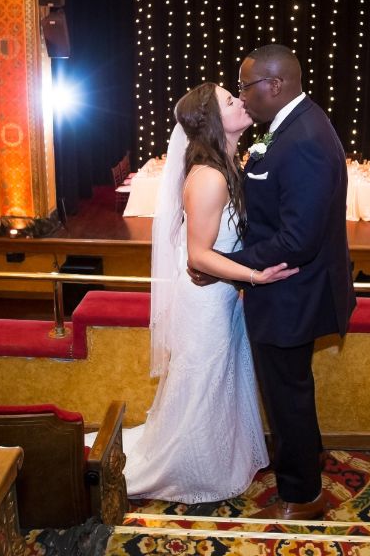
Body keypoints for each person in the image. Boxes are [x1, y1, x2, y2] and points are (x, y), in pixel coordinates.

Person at [109, 81, 298, 504]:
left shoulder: (228, 161)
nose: (241, 100)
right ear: (215, 120)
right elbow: (197, 255)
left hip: (222, 292)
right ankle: (190, 467)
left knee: (222, 374)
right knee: (204, 380)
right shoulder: (210, 177)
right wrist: (255, 277)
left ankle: (221, 457)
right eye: (231, 100)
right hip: (207, 297)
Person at [193, 44, 356, 521]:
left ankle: (303, 495)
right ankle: (308, 457)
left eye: (247, 87)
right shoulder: (292, 127)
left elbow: (298, 238)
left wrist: (228, 263)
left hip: (290, 292)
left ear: (275, 85)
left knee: (286, 396)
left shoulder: (302, 137)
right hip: (287, 289)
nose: (243, 99)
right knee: (292, 390)